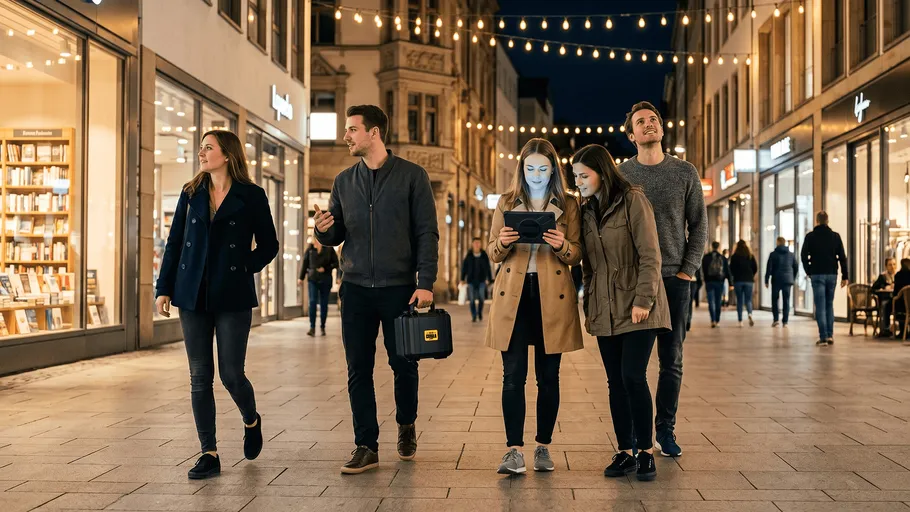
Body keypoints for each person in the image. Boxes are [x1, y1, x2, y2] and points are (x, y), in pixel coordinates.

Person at [313, 105, 439, 474]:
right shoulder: (343, 181)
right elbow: (336, 234)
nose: (346, 136)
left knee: (404, 364)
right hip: (354, 289)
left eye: (352, 129)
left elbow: (426, 233)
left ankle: (406, 424)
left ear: (375, 133)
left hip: (399, 288)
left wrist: (426, 283)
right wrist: (323, 230)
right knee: (357, 369)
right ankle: (366, 444)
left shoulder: (413, 177)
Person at [155, 130, 279, 480]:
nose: (202, 152)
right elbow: (174, 242)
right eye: (201, 147)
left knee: (231, 374)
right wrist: (164, 287)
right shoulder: (191, 192)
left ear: (227, 155)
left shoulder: (251, 196)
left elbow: (269, 245)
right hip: (191, 294)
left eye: (208, 147)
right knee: (199, 376)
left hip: (233, 295)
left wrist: (243, 268)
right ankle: (208, 452)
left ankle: (251, 420)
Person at [485, 138, 583, 475]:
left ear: (553, 169)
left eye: (543, 168)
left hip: (551, 295)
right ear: (521, 170)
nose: (537, 175)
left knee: (548, 378)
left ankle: (543, 447)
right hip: (513, 294)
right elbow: (492, 251)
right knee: (512, 376)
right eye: (530, 169)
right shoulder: (507, 201)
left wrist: (562, 245)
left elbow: (578, 252)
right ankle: (513, 451)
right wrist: (501, 242)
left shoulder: (569, 204)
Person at [573, 144, 669, 482]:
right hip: (604, 308)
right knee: (615, 382)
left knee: (633, 376)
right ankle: (625, 452)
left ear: (602, 172)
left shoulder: (633, 199)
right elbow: (588, 266)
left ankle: (645, 451)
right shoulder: (585, 211)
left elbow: (650, 254)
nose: (579, 182)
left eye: (584, 175)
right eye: (576, 177)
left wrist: (644, 299)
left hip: (638, 306)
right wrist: (588, 304)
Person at [620, 101, 707, 458]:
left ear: (661, 128)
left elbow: (699, 223)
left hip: (675, 279)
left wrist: (688, 270)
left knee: (671, 360)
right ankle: (635, 437)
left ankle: (665, 431)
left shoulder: (685, 172)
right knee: (634, 367)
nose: (648, 124)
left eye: (653, 119)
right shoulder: (622, 175)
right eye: (640, 122)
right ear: (631, 135)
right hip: (638, 283)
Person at [800, 211, 848, 346]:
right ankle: (830, 335)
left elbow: (803, 256)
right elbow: (842, 257)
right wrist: (845, 276)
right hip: (832, 273)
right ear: (827, 221)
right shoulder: (835, 237)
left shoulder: (810, 237)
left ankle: (823, 337)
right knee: (829, 305)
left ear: (817, 221)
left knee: (820, 306)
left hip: (816, 273)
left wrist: (809, 270)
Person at [299, 239, 340, 336]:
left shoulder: (329, 248)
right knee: (312, 301)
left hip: (325, 279)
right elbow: (305, 263)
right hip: (313, 279)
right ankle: (312, 327)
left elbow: (336, 263)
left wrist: (325, 268)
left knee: (324, 303)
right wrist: (301, 277)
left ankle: (322, 326)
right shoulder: (310, 248)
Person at [765, 237, 799, 327]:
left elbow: (769, 268)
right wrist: (793, 277)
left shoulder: (773, 254)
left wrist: (766, 280)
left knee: (775, 300)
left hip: (776, 279)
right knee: (786, 300)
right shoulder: (791, 255)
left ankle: (776, 320)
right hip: (788, 280)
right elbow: (796, 266)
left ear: (777, 243)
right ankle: (785, 321)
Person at [461, 237, 493, 322]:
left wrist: (490, 279)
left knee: (481, 298)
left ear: (480, 244)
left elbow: (488, 268)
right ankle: (474, 315)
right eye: (475, 243)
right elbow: (464, 268)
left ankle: (479, 313)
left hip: (481, 280)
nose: (477, 244)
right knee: (471, 300)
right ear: (472, 244)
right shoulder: (469, 255)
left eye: (478, 243)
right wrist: (462, 279)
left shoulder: (484, 255)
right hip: (471, 281)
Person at [702, 242, 732, 328]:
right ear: (718, 247)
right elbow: (727, 271)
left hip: (709, 282)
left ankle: (713, 320)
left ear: (712, 246)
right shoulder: (722, 258)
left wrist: (706, 279)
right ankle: (717, 320)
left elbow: (703, 270)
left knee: (711, 301)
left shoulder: (706, 257)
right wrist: (730, 282)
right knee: (718, 301)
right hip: (719, 282)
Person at [729, 240, 758, 327]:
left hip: (738, 280)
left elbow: (731, 269)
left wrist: (734, 276)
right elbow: (755, 267)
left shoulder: (734, 256)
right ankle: (750, 314)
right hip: (749, 280)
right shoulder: (750, 255)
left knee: (740, 300)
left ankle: (740, 321)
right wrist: (751, 275)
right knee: (748, 299)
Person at [892, 259, 910, 338]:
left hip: (901, 304)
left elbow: (896, 292)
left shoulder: (898, 275)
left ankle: (902, 331)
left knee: (893, 303)